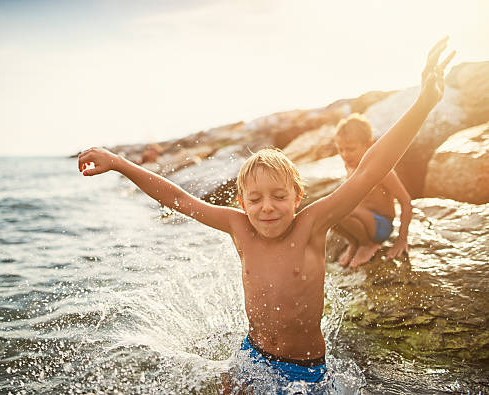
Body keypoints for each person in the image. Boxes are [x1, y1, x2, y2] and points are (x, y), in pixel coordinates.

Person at [77, 38, 454, 391]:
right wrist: (118, 163)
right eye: (255, 199)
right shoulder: (238, 227)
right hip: (252, 354)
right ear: (241, 202)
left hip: (302, 370)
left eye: (278, 196)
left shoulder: (311, 225)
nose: (267, 207)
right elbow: (177, 198)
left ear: (297, 197)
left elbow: (372, 167)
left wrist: (423, 103)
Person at [332, 114, 413, 268]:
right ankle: (355, 243)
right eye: (340, 149)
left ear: (369, 145)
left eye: (350, 149)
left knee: (343, 209)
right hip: (362, 219)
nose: (344, 154)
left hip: (380, 226)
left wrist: (401, 240)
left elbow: (406, 201)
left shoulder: (382, 170)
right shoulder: (349, 166)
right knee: (330, 213)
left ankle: (368, 245)